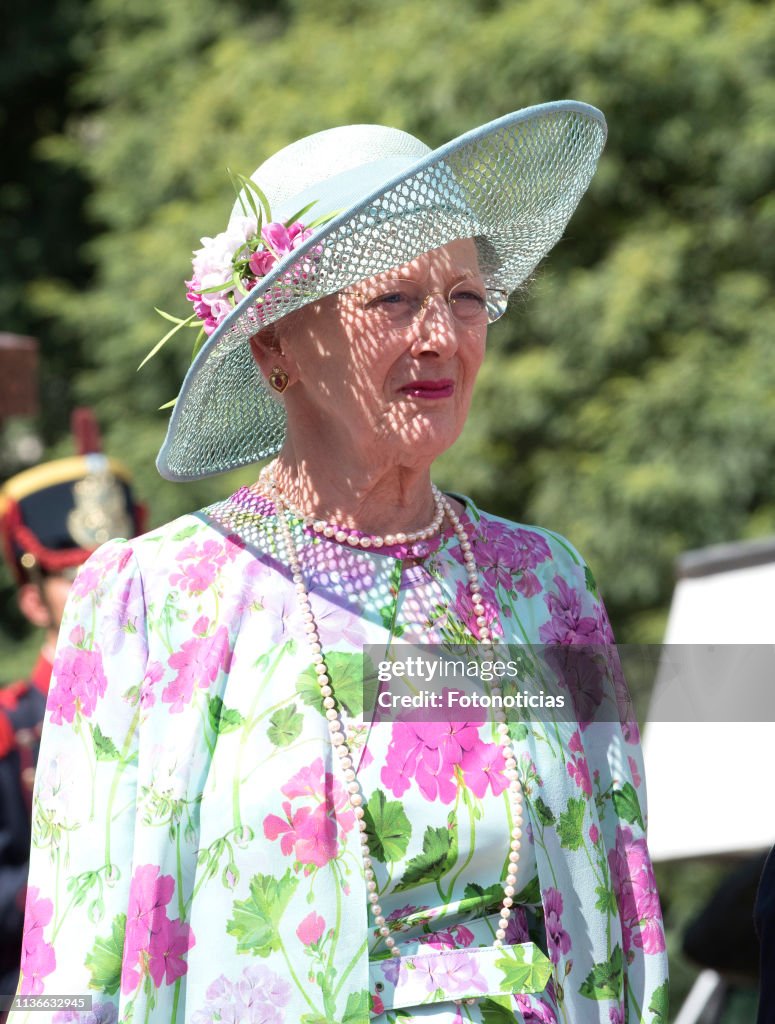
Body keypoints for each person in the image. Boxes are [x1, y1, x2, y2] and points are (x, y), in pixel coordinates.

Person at [9, 102, 668, 1024]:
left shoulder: (545, 585)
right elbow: (70, 949)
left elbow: (623, 907)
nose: (440, 335)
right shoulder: (159, 599)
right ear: (276, 343)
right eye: (393, 298)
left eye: (467, 297)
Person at [0, 415, 144, 1015]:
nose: (104, 591)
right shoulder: (9, 726)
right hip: (43, 987)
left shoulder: (176, 700)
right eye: (78, 577)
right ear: (34, 599)